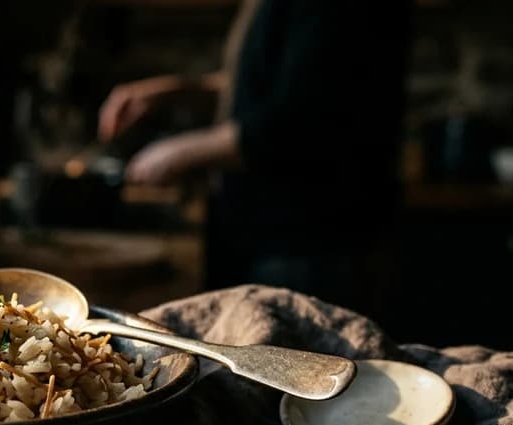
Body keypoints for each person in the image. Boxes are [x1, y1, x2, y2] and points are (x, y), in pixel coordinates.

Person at [98, 0, 412, 319]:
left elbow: (298, 122)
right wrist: (177, 91)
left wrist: (181, 152)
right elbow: (266, 85)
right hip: (269, 236)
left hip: (314, 243)